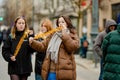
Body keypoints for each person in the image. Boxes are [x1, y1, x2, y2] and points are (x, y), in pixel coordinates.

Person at [29, 15, 80, 80]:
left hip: (64, 71)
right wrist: (33, 42)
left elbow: (72, 48)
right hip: (51, 70)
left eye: (63, 22)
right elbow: (43, 46)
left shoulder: (72, 34)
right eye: (59, 22)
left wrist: (64, 34)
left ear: (67, 23)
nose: (60, 24)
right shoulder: (53, 34)